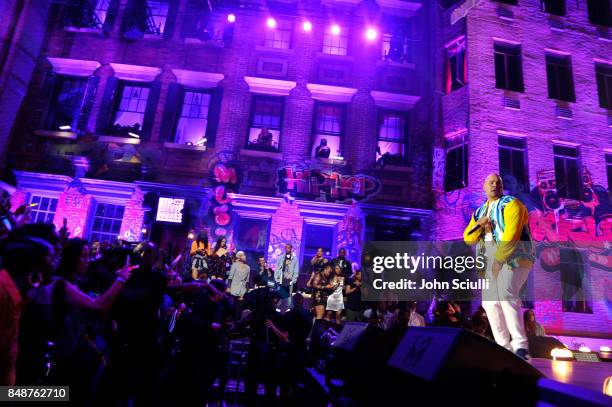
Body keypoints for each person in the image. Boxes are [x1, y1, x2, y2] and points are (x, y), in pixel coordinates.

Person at [464, 173, 535, 360]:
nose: (495, 184)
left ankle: (521, 346)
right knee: (489, 303)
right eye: (490, 182)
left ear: (502, 187)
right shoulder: (479, 212)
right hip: (489, 261)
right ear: (484, 187)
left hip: (515, 258)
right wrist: (480, 225)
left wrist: (498, 261)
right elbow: (468, 238)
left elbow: (510, 237)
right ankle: (503, 347)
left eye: (498, 182)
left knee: (506, 294)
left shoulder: (513, 204)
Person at [0, 238, 49, 385]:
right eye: (52, 257)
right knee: (61, 395)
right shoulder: (2, 293)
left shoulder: (18, 296)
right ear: (33, 267)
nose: (56, 262)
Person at [275, 243, 298, 309]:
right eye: (286, 248)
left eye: (289, 248)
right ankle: (277, 309)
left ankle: (288, 310)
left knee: (288, 296)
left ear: (291, 249)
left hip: (289, 280)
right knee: (280, 294)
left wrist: (293, 280)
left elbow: (296, 270)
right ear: (285, 248)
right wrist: (276, 278)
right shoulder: (281, 258)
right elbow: (277, 268)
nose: (287, 249)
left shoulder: (294, 259)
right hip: (281, 279)